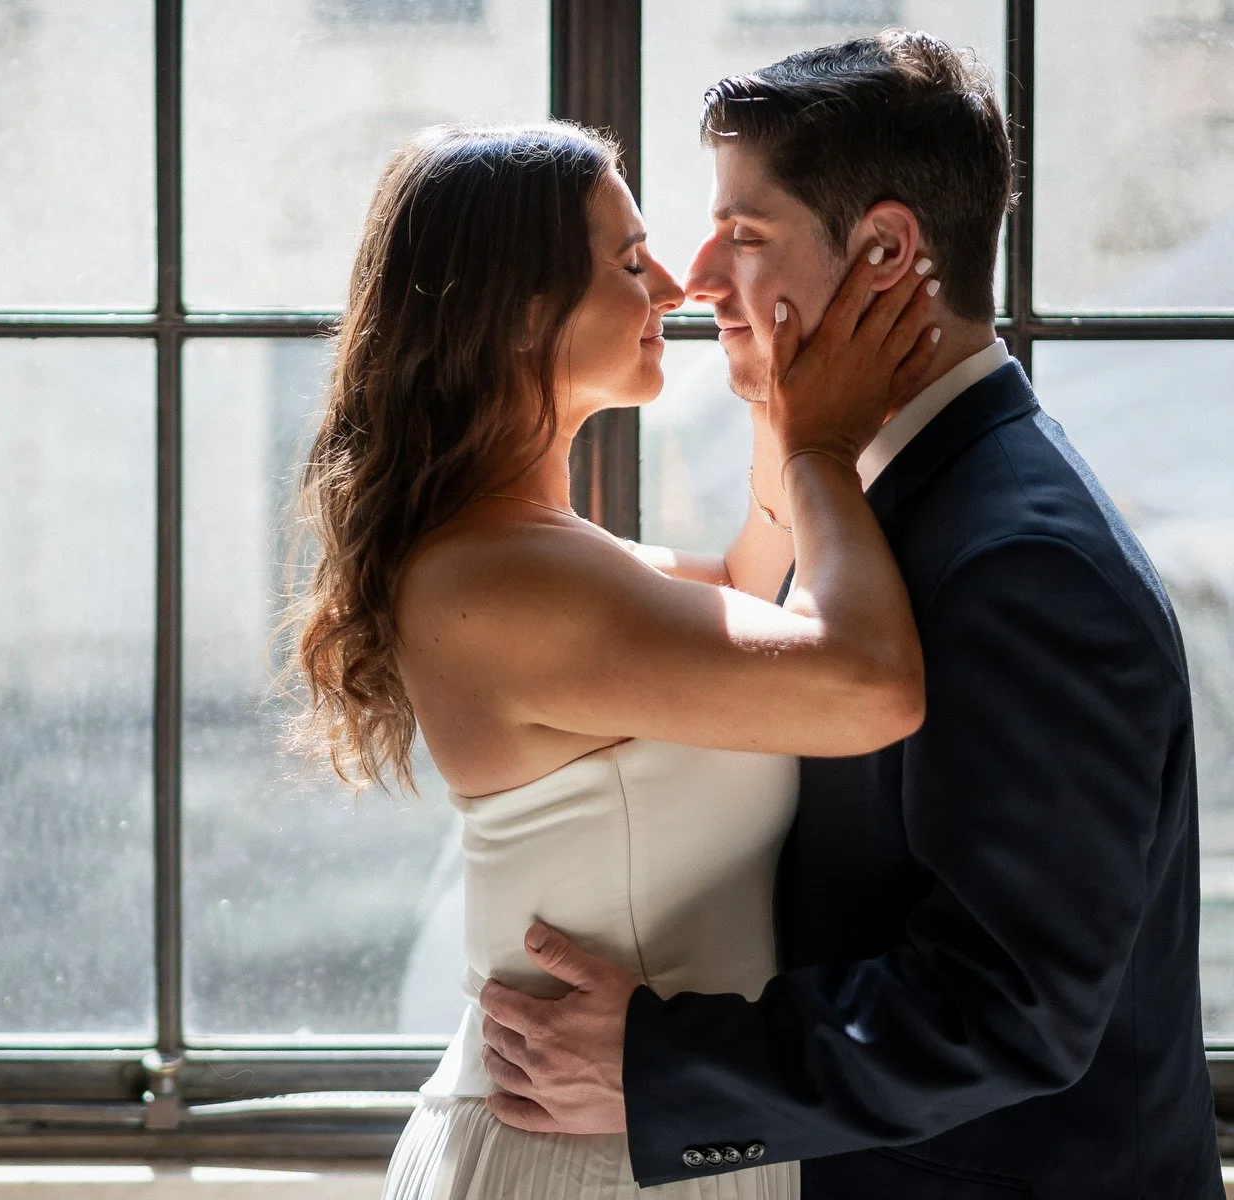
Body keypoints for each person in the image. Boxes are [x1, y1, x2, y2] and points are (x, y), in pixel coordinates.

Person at [476, 32, 1222, 1200]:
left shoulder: (1016, 561)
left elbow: (1009, 1007)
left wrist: (661, 1069)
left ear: (885, 252)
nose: (700, 276)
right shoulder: (904, 503)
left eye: (747, 233)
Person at [289, 116, 941, 1198]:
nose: (673, 293)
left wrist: (781, 386)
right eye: (630, 263)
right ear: (517, 310)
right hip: (584, 1154)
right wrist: (824, 442)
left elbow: (742, 593)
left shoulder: (549, 555)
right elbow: (870, 685)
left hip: (636, 1125)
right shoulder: (498, 582)